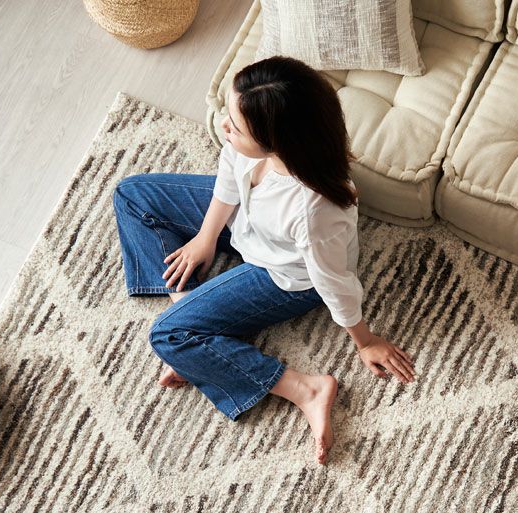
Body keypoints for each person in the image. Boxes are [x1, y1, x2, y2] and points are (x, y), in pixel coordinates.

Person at [112, 55, 416, 466]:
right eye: (229, 114)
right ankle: (190, 310)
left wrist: (366, 341)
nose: (224, 126)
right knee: (132, 195)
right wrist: (204, 238)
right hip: (246, 224)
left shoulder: (315, 210)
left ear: (277, 141)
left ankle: (306, 389)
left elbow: (334, 282)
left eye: (235, 127)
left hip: (285, 275)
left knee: (168, 336)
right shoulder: (249, 146)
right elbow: (227, 175)